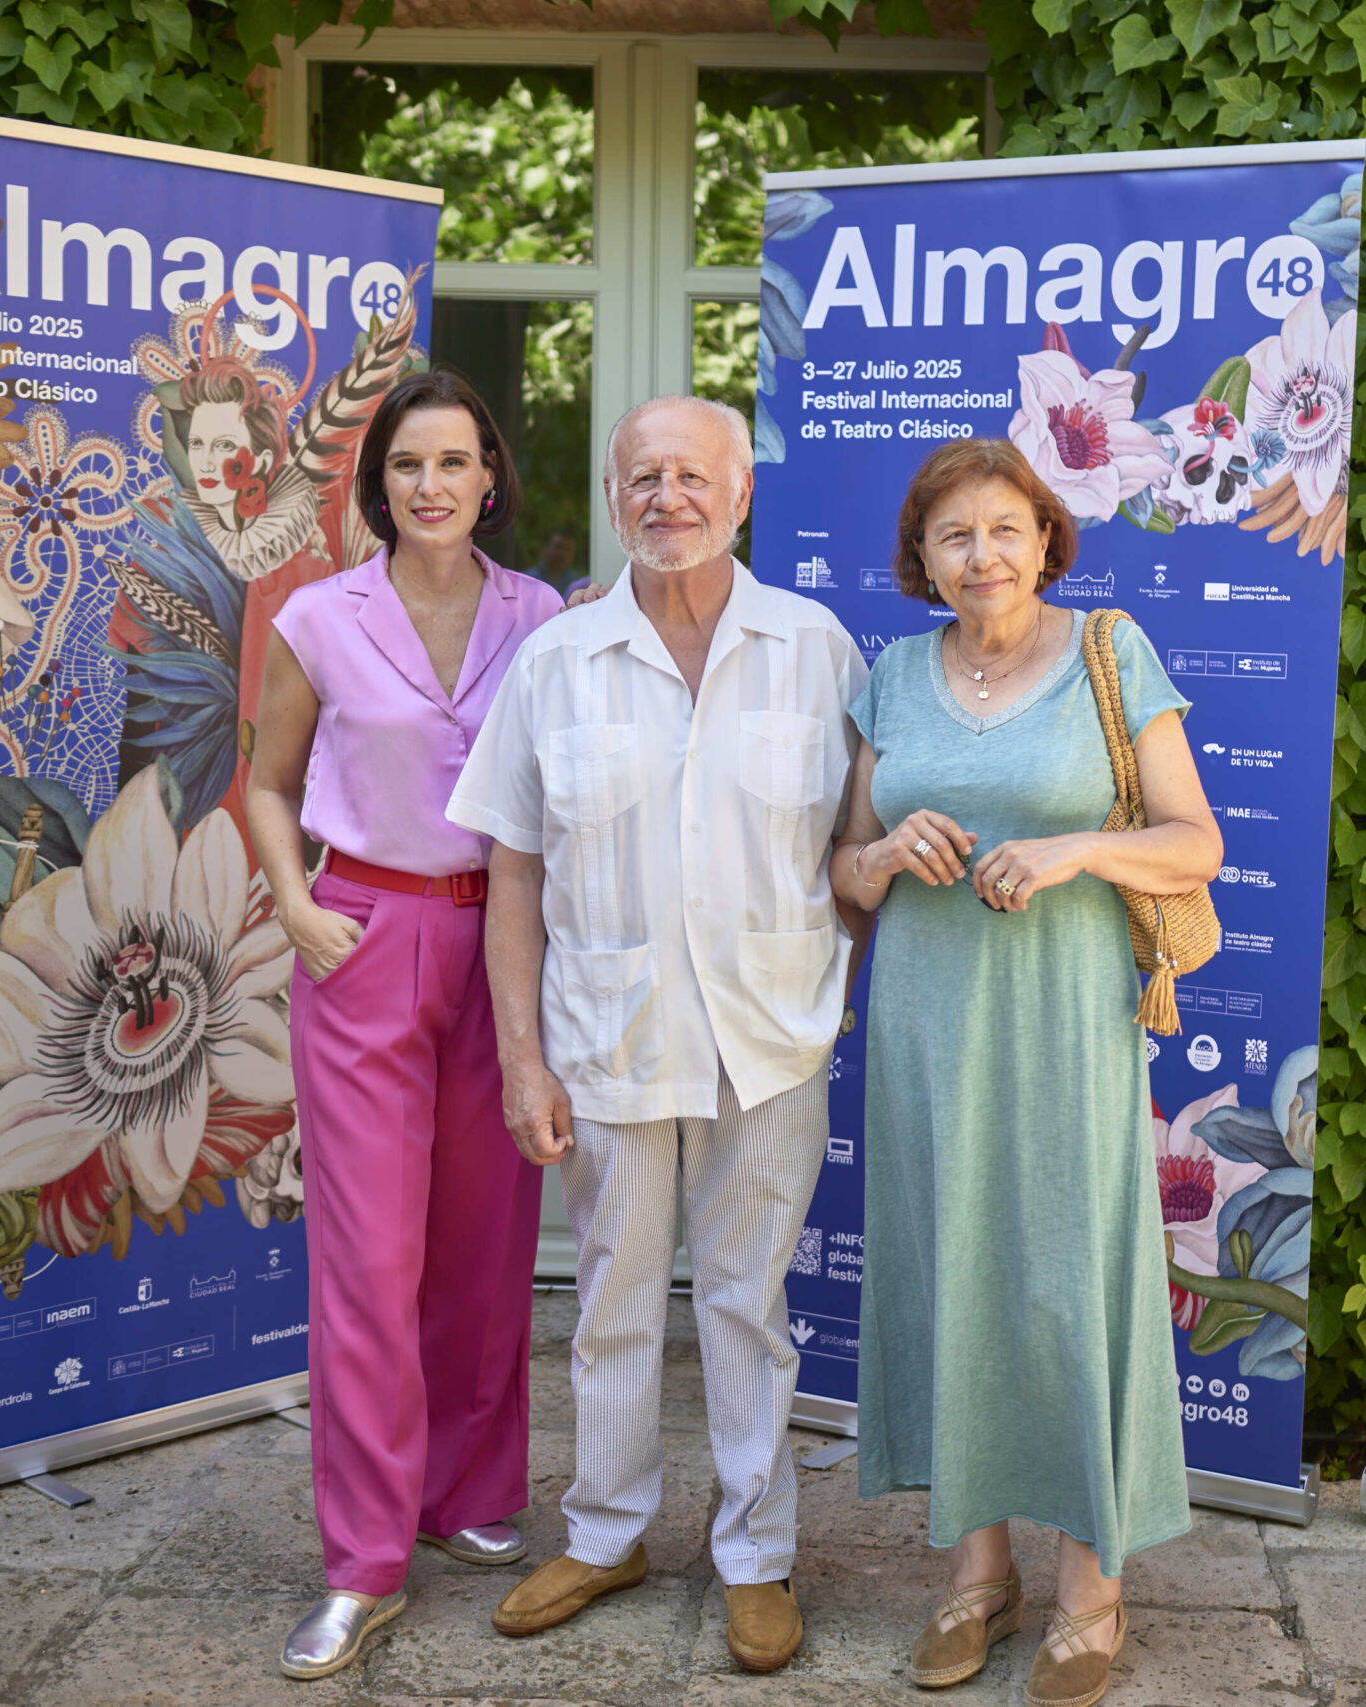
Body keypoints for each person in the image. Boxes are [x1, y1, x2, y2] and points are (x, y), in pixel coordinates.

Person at [448, 395, 866, 1675]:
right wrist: (522, 1058)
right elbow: (512, 872)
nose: (667, 497)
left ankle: (755, 1556)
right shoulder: (556, 661)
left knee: (748, 1307)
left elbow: (856, 851)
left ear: (740, 496)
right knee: (611, 1305)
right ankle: (608, 1529)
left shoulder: (817, 648)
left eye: (694, 475)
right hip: (609, 1040)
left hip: (771, 1039)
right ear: (616, 497)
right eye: (644, 477)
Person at [827, 438, 1220, 1707]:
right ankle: (975, 1573)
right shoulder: (890, 676)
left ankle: (1090, 1585)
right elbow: (843, 871)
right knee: (951, 1281)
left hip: (1066, 1024)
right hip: (927, 1029)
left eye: (1004, 529)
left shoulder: (1111, 652)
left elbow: (1193, 842)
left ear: (1045, 538)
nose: (980, 554)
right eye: (954, 536)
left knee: (1070, 1289)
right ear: (922, 560)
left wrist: (1072, 855)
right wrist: (887, 850)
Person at [245, 369, 563, 1681]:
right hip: (364, 937)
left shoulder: (541, 616)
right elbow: (265, 784)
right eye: (408, 463)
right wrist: (293, 902)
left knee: (488, 1239)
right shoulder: (321, 616)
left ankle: (470, 1490)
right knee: (371, 1260)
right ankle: (363, 1559)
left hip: (505, 940)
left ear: (492, 476)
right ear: (376, 480)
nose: (432, 484)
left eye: (457, 461)